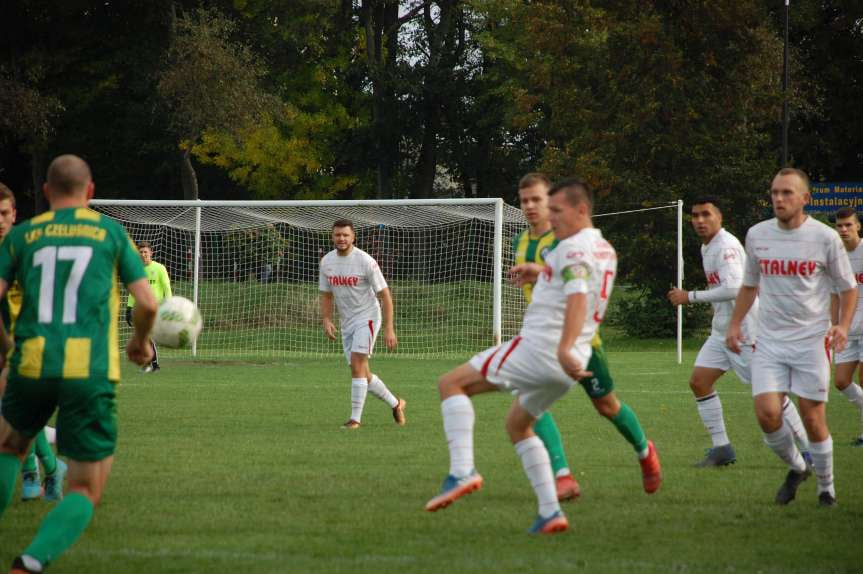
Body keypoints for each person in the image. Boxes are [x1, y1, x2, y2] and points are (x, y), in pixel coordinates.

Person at [425, 179, 661, 534]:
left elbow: (578, 293)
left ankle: (462, 471)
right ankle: (550, 511)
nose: (550, 216)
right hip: (572, 363)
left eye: (556, 209)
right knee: (518, 424)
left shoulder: (569, 248)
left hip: (542, 348)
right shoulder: (605, 249)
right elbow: (575, 280)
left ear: (581, 210)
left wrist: (563, 346)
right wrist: (540, 272)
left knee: (450, 384)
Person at [0, 154, 158, 573]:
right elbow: (146, 301)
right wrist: (140, 344)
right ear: (90, 192)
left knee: (9, 448)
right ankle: (29, 562)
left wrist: (4, 344)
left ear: (48, 193)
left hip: (30, 365)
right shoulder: (109, 232)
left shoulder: (23, 235)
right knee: (85, 488)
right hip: (90, 371)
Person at [727, 167, 856, 507]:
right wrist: (735, 323)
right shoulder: (757, 234)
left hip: (812, 341)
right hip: (769, 340)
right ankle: (799, 467)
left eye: (786, 193)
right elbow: (750, 284)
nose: (779, 199)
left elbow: (848, 287)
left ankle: (826, 488)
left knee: (813, 419)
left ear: (805, 199)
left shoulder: (825, 238)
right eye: (774, 192)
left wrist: (841, 326)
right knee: (767, 414)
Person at [667, 197, 810, 466]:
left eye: (706, 214)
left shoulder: (726, 246)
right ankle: (722, 448)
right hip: (721, 332)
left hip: (746, 332)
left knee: (771, 395)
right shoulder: (707, 246)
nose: (699, 220)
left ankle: (809, 449)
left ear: (719, 217)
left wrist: (690, 296)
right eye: (695, 215)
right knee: (699, 381)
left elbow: (736, 288)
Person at [511, 173, 579, 500]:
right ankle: (560, 476)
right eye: (524, 200)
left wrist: (542, 274)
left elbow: (577, 283)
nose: (530, 206)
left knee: (607, 406)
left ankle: (560, 476)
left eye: (536, 199)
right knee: (527, 402)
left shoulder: (565, 239)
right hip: (538, 331)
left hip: (566, 331)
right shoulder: (520, 242)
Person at [0, 183, 65, 502]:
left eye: (3, 213)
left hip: (25, 346)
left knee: (15, 415)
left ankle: (36, 474)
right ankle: (50, 469)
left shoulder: (30, 249)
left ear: (15, 214)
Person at [319, 219, 405, 429]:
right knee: (362, 373)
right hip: (347, 321)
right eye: (338, 235)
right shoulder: (326, 262)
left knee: (357, 364)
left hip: (367, 317)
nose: (341, 239)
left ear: (353, 237)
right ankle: (396, 404)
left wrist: (389, 328)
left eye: (345, 235)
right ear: (332, 236)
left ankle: (355, 419)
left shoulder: (366, 261)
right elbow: (326, 294)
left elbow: (385, 296)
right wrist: (327, 319)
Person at [830, 206, 863, 445]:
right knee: (841, 381)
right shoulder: (835, 257)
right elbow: (834, 295)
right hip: (847, 329)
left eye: (848, 224)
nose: (843, 229)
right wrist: (833, 326)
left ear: (858, 226)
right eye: (839, 226)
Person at [126, 240, 171, 373]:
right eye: (141, 252)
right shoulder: (136, 269)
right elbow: (133, 291)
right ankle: (149, 364)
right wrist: (128, 309)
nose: (143, 254)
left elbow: (166, 287)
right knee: (143, 337)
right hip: (141, 308)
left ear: (151, 253)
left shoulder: (159, 268)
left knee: (147, 336)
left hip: (157, 308)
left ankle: (154, 365)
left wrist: (169, 304)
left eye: (146, 252)